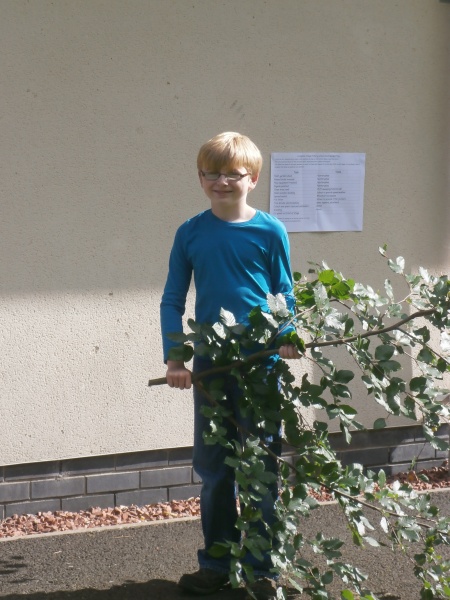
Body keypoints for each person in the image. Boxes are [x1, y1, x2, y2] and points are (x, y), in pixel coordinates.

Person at [160, 132, 300, 600]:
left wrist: (287, 335)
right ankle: (217, 563)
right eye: (211, 173)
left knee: (260, 464)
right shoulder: (190, 232)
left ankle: (262, 569)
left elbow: (284, 293)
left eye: (232, 174)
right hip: (211, 366)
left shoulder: (271, 231)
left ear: (252, 179)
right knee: (215, 468)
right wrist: (176, 357)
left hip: (260, 365)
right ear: (200, 178)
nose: (221, 181)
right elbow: (172, 299)